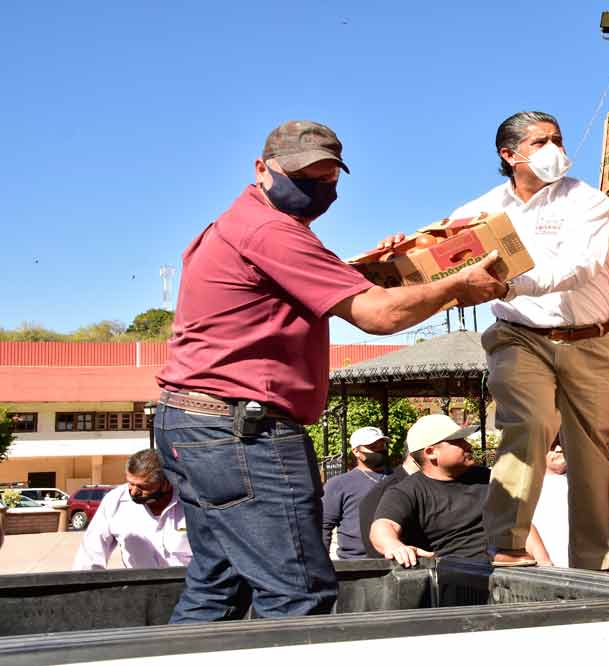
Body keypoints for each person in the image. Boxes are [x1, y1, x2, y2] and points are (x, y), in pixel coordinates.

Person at [154, 120, 507, 623]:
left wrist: (378, 270)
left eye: (327, 178)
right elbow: (378, 315)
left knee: (218, 590)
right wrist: (457, 286)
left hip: (192, 425)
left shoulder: (237, 225)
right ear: (261, 169)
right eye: (302, 176)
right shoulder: (271, 230)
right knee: (298, 596)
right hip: (242, 431)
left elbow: (300, 291)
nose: (318, 189)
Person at [448, 111, 609, 569]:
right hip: (518, 336)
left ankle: (592, 566)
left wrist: (510, 284)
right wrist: (404, 256)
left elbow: (581, 267)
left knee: (591, 455)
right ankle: (507, 546)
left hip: (588, 340)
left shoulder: (588, 202)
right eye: (541, 142)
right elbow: (443, 256)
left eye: (557, 139)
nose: (555, 151)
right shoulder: (481, 212)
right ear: (510, 155)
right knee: (529, 422)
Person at [369, 414, 548, 567]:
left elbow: (519, 524)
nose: (468, 445)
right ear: (431, 452)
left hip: (509, 577)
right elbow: (383, 527)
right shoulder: (407, 491)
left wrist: (545, 566)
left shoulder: (488, 478)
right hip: (455, 586)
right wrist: (394, 546)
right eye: (457, 441)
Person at [73, 449, 191, 570]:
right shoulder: (114, 501)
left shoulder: (192, 502)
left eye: (142, 486)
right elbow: (90, 555)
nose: (134, 492)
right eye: (130, 483)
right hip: (138, 585)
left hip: (187, 584)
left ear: (167, 483)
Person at [322, 426, 400, 559]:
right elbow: (324, 526)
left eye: (382, 445)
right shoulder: (339, 484)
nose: (380, 450)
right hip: (356, 563)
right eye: (372, 447)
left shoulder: (401, 478)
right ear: (356, 451)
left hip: (398, 558)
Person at [531, 439, 569, 567]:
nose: (559, 449)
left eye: (562, 443)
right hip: (545, 568)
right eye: (551, 447)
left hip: (581, 570)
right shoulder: (527, 485)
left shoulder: (584, 482)